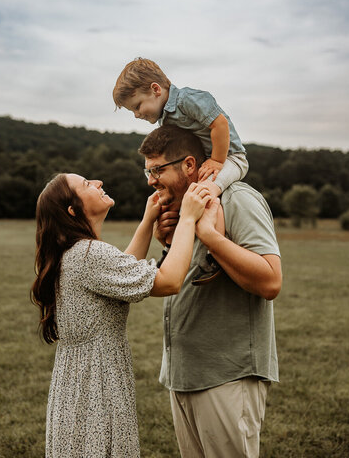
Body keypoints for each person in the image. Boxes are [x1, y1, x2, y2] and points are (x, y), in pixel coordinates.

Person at [31, 172, 214, 458]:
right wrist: (188, 219)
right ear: (73, 210)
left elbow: (123, 268)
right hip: (97, 388)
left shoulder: (77, 253)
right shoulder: (90, 254)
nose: (98, 183)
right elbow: (169, 281)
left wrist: (147, 220)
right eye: (86, 184)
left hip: (77, 385)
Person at [139, 124, 282, 458]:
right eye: (147, 171)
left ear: (189, 165)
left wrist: (211, 236)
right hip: (184, 375)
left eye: (157, 170)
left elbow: (271, 281)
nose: (150, 180)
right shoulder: (181, 213)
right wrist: (168, 244)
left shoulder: (238, 199)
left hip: (227, 376)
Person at [112, 57, 249, 284]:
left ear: (156, 90)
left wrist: (216, 161)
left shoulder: (187, 100)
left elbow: (220, 124)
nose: (136, 114)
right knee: (176, 201)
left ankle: (214, 256)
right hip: (206, 160)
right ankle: (171, 249)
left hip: (230, 158)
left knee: (203, 193)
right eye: (132, 111)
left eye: (137, 106)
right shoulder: (165, 118)